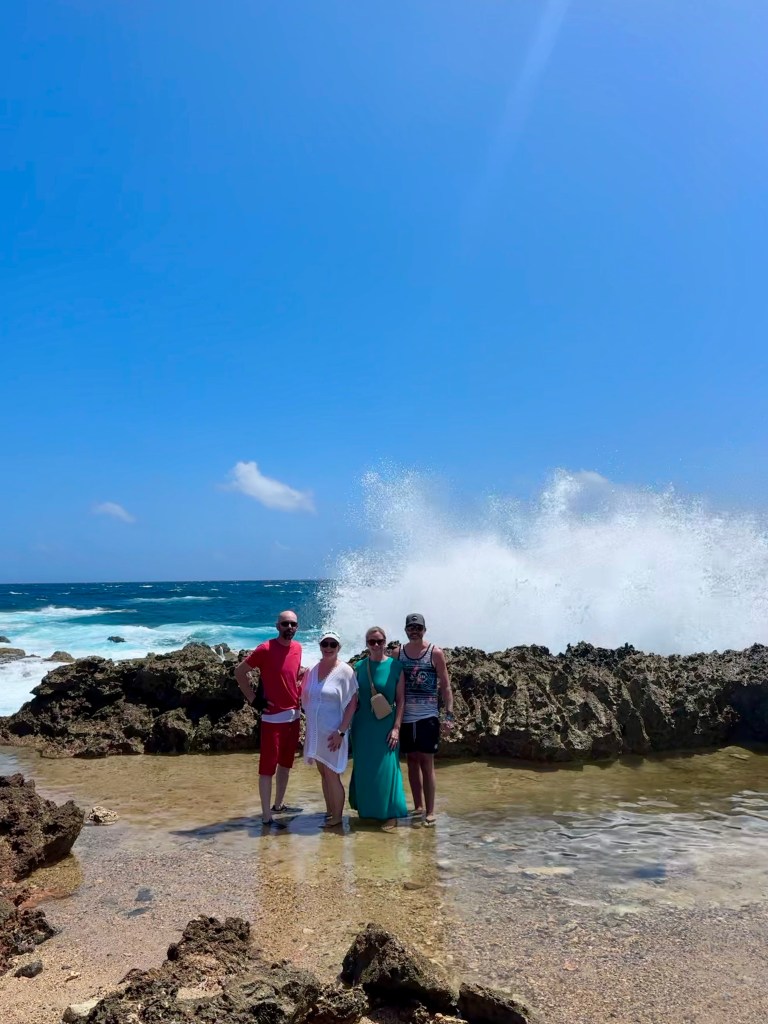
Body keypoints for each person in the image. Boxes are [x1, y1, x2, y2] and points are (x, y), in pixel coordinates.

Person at [235, 610, 303, 829]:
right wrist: (254, 700)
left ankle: (279, 805)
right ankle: (266, 816)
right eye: (285, 624)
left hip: (294, 717)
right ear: (277, 626)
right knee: (267, 768)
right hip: (272, 720)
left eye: (293, 624)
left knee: (286, 764)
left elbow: (291, 673)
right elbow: (240, 672)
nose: (289, 628)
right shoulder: (265, 649)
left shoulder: (298, 648)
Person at [398, 613, 454, 827]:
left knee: (427, 763)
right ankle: (418, 806)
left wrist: (448, 716)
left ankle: (430, 811)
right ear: (405, 630)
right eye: (411, 628)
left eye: (418, 628)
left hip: (428, 716)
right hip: (406, 718)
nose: (415, 631)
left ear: (424, 629)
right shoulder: (399, 653)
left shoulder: (435, 653)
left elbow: (446, 687)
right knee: (411, 761)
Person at [349, 626, 408, 829]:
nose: (376, 645)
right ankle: (369, 812)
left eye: (379, 641)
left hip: (386, 726)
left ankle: (391, 814)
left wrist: (396, 728)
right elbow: (349, 698)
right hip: (362, 726)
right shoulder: (358, 667)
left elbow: (401, 701)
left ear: (385, 642)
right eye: (371, 641)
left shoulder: (395, 667)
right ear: (366, 643)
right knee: (365, 769)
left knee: (388, 769)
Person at [301, 630, 358, 828]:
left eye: (332, 644)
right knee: (323, 773)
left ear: (338, 648)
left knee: (333, 774)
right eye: (325, 644)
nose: (328, 648)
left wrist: (341, 732)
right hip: (316, 732)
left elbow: (353, 703)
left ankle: (337, 817)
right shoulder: (312, 669)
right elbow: (304, 695)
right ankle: (329, 811)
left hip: (334, 733)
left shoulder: (345, 671)